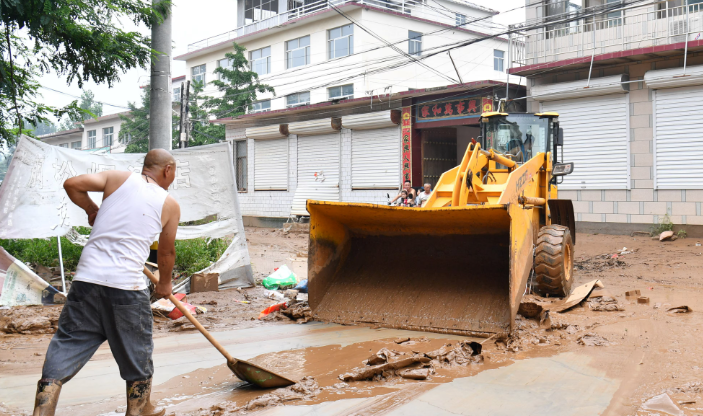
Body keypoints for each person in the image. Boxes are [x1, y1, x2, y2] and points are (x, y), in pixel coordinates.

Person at [33, 149, 181, 416]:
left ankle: (43, 409)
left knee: (68, 342)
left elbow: (72, 184)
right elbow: (166, 252)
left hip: (85, 282)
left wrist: (92, 209)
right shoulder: (169, 204)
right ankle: (138, 409)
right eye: (173, 173)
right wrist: (165, 284)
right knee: (137, 348)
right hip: (127, 287)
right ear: (167, 170)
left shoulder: (117, 178)